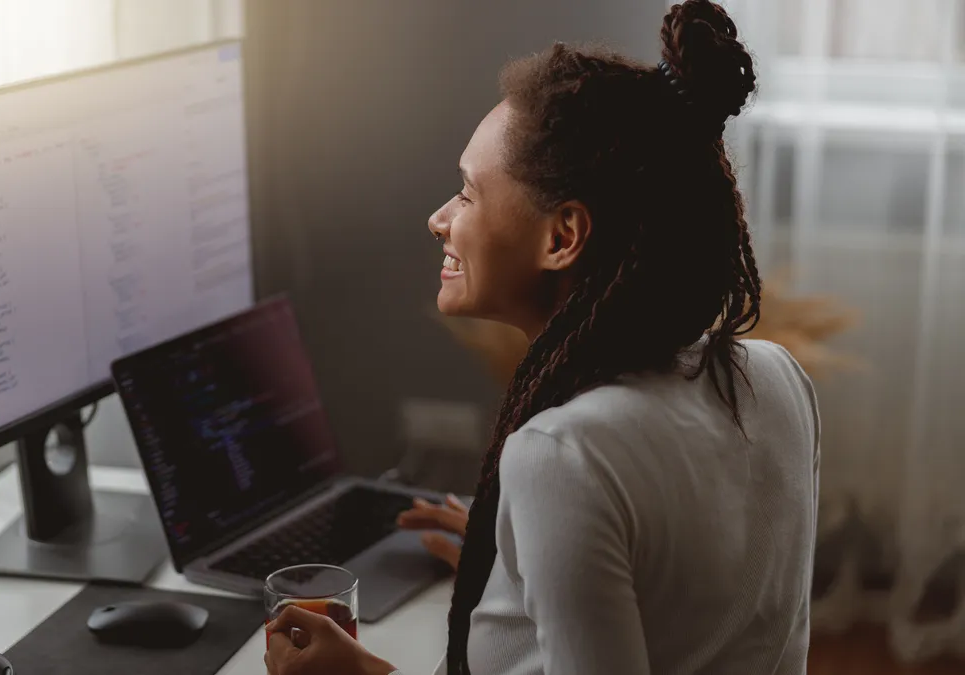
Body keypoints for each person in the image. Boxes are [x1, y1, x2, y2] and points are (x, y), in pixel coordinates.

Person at [265, 1, 821, 673]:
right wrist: (533, 550)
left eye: (468, 193)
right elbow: (700, 596)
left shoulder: (564, 455)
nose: (439, 218)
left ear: (562, 237)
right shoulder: (776, 376)